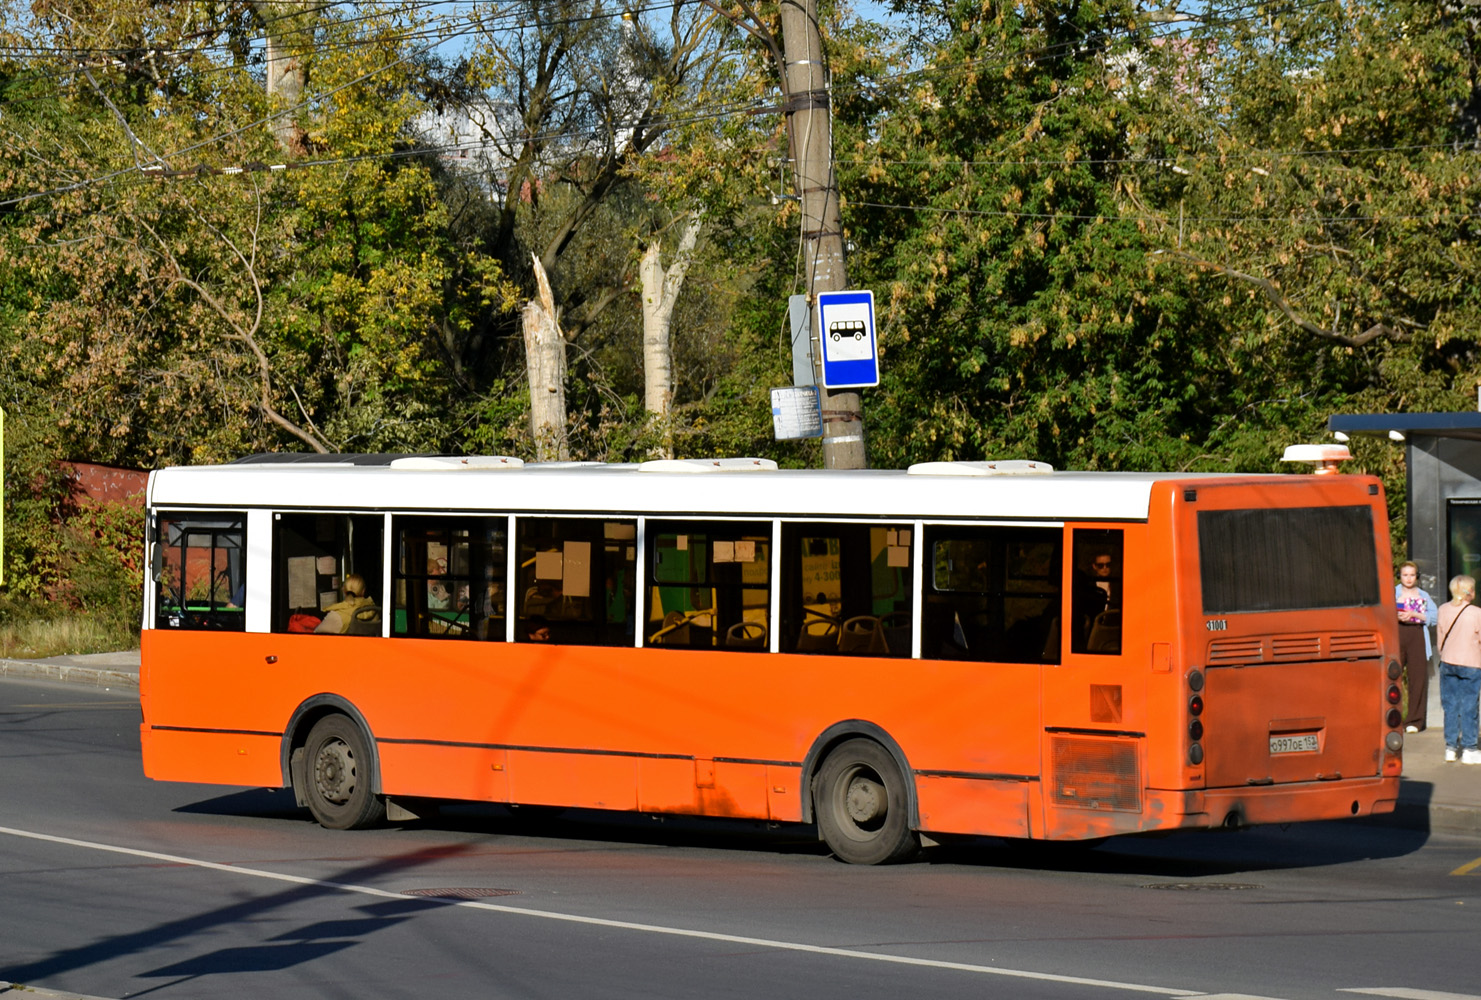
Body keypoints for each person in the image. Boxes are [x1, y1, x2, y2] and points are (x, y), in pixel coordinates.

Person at [1436, 574, 1481, 764]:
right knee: (1470, 705)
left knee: (1450, 705)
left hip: (1448, 661)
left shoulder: (1443, 609)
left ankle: (1451, 747)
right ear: (1470, 592)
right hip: (1471, 662)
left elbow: (1440, 638)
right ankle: (1470, 748)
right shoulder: (1477, 613)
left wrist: (1445, 654)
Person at [1395, 561, 1438, 732]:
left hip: (1417, 635)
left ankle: (1414, 721)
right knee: (1393, 678)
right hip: (1397, 635)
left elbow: (1435, 617)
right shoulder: (1393, 593)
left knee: (1418, 678)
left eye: (1412, 575)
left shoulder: (1424, 595)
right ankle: (1393, 719)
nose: (1408, 578)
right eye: (1405, 575)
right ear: (1400, 576)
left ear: (1417, 576)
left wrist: (1416, 614)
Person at [315, 573, 381, 635]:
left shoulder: (337, 615)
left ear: (344, 590)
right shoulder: (374, 611)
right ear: (363, 591)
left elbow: (315, 637)